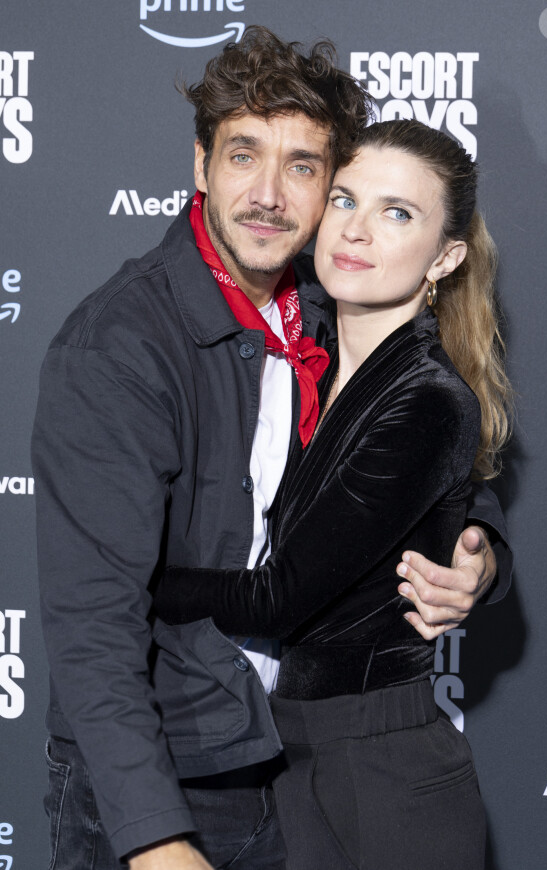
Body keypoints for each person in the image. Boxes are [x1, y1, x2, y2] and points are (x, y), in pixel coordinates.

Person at [31, 28, 511, 870]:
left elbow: (418, 438)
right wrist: (153, 837)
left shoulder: (328, 312)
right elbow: (92, 627)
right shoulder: (121, 347)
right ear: (199, 168)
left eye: (302, 167)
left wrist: (477, 548)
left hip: (283, 767)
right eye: (243, 155)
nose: (268, 194)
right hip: (168, 778)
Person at [154, 118, 513, 870]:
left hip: (384, 767)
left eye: (397, 213)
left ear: (445, 256)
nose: (356, 231)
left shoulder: (426, 399)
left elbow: (281, 597)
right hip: (285, 752)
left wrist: (128, 578)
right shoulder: (291, 341)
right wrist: (483, 542)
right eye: (345, 199)